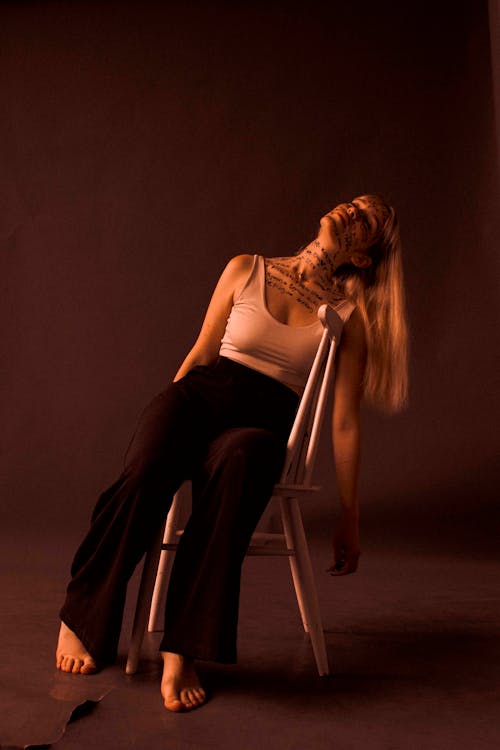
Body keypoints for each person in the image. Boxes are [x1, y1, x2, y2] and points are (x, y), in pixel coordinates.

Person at [55, 193, 409, 712]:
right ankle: (80, 616)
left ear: (361, 258)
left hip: (261, 426)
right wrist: (165, 421)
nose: (351, 212)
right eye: (352, 204)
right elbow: (201, 353)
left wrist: (350, 516)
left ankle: (184, 647)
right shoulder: (247, 268)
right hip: (201, 397)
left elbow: (345, 420)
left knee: (244, 461)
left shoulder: (346, 316)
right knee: (146, 470)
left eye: (366, 221)